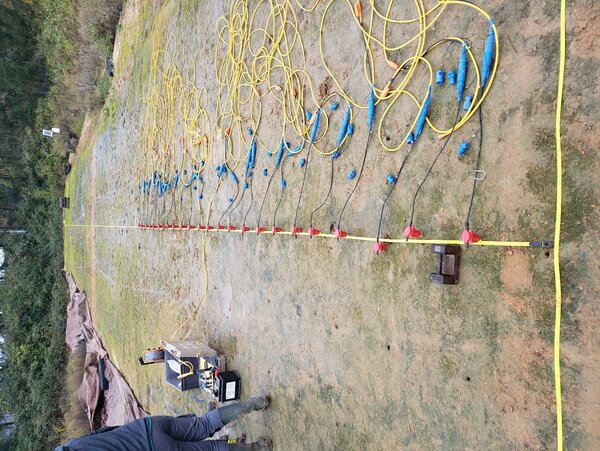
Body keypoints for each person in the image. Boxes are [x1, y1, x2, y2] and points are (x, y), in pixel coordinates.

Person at [55, 396, 271, 450]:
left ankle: (258, 447)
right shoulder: (70, 445)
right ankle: (255, 403)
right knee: (205, 423)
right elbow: (105, 430)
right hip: (149, 426)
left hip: (155, 448)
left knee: (212, 448)